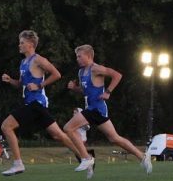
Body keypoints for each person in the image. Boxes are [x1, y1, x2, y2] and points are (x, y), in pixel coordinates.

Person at [0, 30, 93, 177]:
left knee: (6, 126)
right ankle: (86, 158)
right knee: (58, 135)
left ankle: (18, 164)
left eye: (22, 43)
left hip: (36, 103)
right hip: (33, 104)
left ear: (31, 44)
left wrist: (39, 85)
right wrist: (10, 80)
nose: (19, 45)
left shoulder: (38, 59)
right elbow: (21, 85)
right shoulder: (23, 63)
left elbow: (56, 74)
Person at [63, 44, 154, 173]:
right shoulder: (81, 72)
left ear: (88, 56)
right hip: (93, 109)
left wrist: (108, 92)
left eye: (79, 56)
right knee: (114, 138)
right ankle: (142, 156)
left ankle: (86, 158)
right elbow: (85, 91)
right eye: (76, 56)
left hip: (96, 108)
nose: (77, 59)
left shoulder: (96, 69)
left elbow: (117, 75)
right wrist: (74, 88)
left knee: (68, 128)